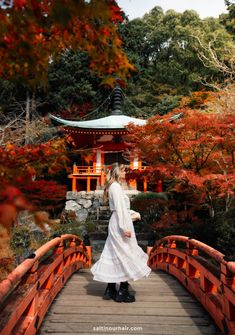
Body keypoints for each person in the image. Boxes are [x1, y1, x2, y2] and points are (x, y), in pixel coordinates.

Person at [90, 163, 152, 303]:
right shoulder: (116, 187)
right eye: (125, 171)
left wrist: (133, 214)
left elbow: (121, 209)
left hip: (118, 220)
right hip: (120, 223)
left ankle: (111, 288)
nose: (126, 174)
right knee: (125, 254)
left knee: (116, 253)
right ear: (118, 172)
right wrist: (125, 227)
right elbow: (119, 208)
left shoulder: (113, 186)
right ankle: (122, 291)